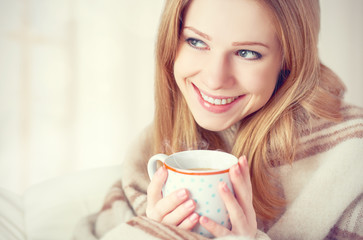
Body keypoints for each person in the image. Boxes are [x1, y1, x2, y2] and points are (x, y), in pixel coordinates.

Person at [74, 0, 363, 239]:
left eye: (247, 53)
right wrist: (152, 231)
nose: (214, 79)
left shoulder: (351, 157)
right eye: (197, 41)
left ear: (289, 60)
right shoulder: (152, 148)